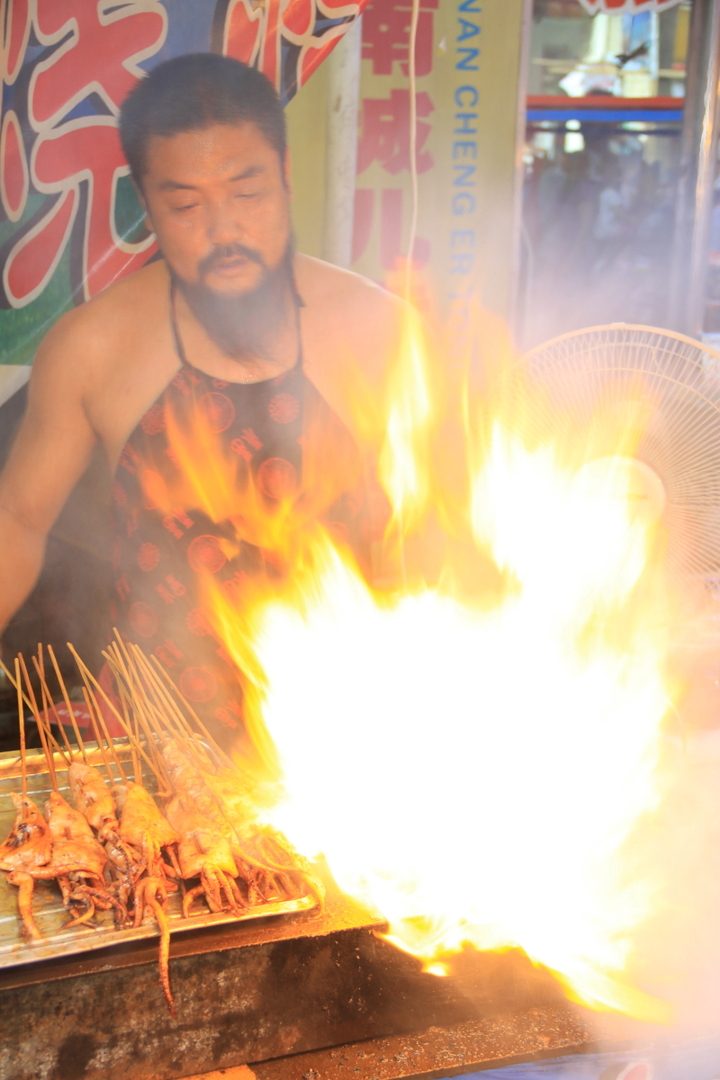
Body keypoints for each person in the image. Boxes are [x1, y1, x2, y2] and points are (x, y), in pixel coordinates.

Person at [0, 54, 405, 744]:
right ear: (147, 206)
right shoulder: (94, 346)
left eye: (247, 195)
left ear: (285, 179)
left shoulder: (380, 332)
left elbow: (437, 533)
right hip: (155, 744)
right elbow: (17, 522)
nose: (224, 231)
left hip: (347, 742)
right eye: (186, 205)